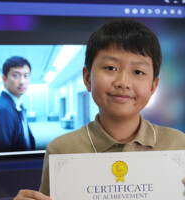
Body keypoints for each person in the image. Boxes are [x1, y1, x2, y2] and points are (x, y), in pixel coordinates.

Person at [14, 19, 185, 200]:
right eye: (110, 68)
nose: (122, 82)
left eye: (138, 72)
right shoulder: (61, 150)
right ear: (87, 78)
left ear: (153, 86)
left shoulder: (178, 145)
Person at [0, 56, 35, 152]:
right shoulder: (3, 110)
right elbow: (0, 157)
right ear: (4, 79)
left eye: (26, 76)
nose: (22, 82)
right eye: (16, 75)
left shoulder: (17, 105)